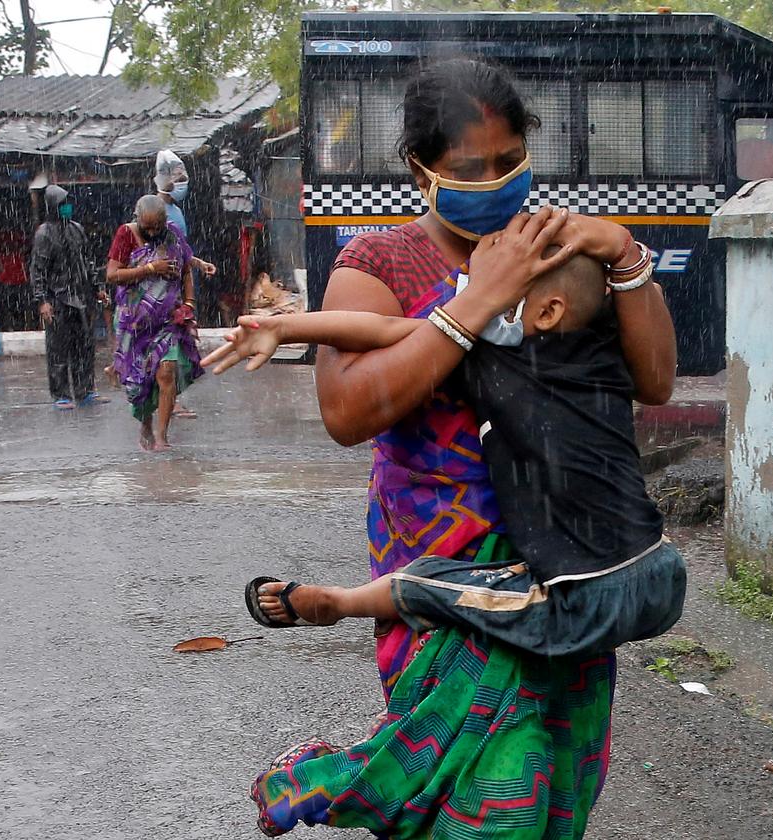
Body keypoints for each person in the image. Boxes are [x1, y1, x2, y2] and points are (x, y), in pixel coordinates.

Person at [212, 57, 676, 838]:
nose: (495, 181)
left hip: (566, 562)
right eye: (470, 168)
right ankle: (331, 781)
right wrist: (481, 301)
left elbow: (655, 379)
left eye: (509, 162)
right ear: (420, 169)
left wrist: (626, 255)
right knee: (479, 798)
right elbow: (348, 410)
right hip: (442, 567)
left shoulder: (557, 254)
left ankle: (335, 780)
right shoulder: (378, 263)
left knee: (551, 791)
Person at [208, 246, 686, 661]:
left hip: (586, 596)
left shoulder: (490, 355)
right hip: (662, 571)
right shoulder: (604, 348)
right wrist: (620, 249)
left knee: (432, 582)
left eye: (490, 290)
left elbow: (380, 329)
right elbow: (652, 299)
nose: (469, 302)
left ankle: (340, 603)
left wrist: (286, 328)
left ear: (546, 313)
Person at [105, 195, 202, 451]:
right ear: (137, 219)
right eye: (147, 227)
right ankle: (145, 424)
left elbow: (186, 268)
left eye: (157, 227)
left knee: (166, 370)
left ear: (164, 222)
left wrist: (189, 303)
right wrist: (150, 269)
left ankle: (162, 436)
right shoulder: (125, 234)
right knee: (140, 380)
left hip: (167, 319)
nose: (152, 232)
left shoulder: (171, 235)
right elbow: (113, 274)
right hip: (134, 323)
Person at [30, 184, 110, 410]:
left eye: (68, 204)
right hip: (57, 298)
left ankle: (85, 390)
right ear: (54, 206)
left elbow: (89, 262)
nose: (67, 208)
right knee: (58, 349)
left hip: (80, 297)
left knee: (84, 346)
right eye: (63, 204)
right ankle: (61, 394)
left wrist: (98, 287)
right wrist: (42, 300)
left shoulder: (77, 229)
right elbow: (38, 270)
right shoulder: (44, 233)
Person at [152, 149, 215, 416]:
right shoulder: (152, 208)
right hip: (161, 290)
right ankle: (167, 399)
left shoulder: (176, 210)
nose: (181, 182)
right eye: (177, 176)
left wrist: (198, 264)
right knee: (168, 347)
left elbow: (181, 249)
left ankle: (170, 396)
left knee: (179, 345)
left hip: (179, 288)